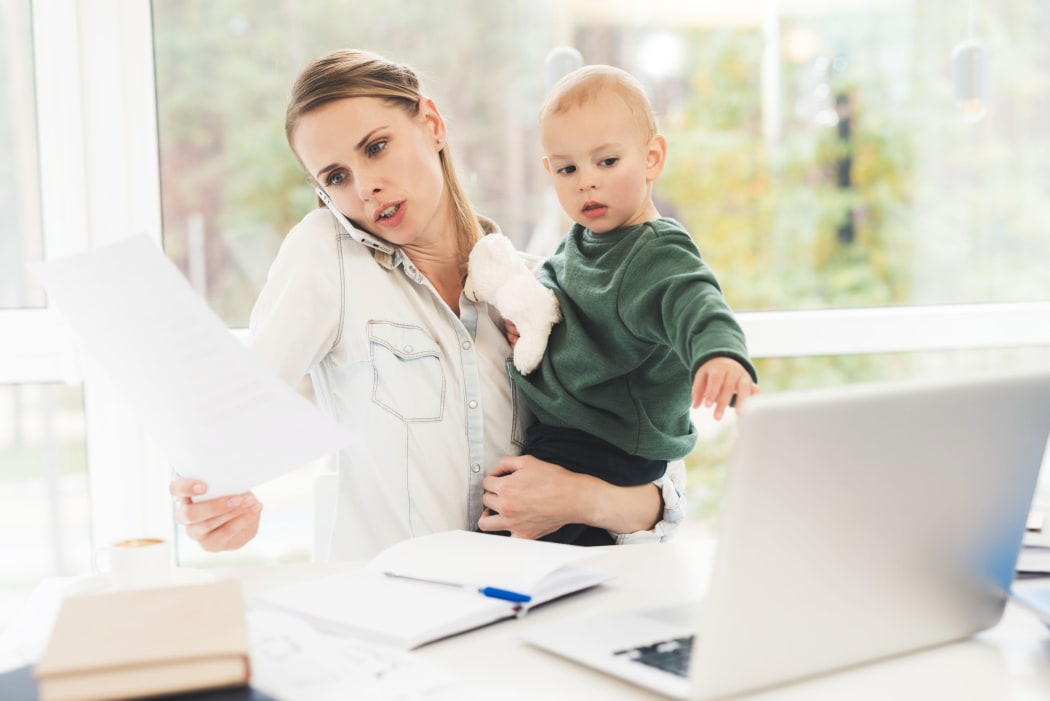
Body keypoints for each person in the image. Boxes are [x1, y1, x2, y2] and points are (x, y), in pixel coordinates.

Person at [168, 49, 686, 560]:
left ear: (432, 124)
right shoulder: (329, 256)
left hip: (530, 614)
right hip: (390, 623)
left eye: (375, 148)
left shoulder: (537, 288)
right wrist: (216, 501)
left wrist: (579, 500)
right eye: (336, 177)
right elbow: (234, 413)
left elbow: (663, 497)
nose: (366, 186)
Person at [509, 64, 759, 546]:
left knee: (543, 557)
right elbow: (554, 288)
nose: (587, 182)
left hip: (612, 447)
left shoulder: (656, 253)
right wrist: (527, 320)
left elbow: (696, 300)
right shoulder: (580, 240)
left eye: (606, 162)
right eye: (568, 169)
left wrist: (720, 353)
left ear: (652, 157)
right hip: (571, 434)